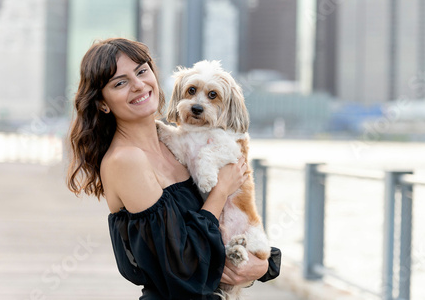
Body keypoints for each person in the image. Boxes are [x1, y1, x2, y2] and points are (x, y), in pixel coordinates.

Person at [67, 37, 281, 299]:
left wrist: (263, 264)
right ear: (102, 102)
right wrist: (221, 190)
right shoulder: (126, 160)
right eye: (120, 82)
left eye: (142, 71)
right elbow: (183, 268)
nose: (138, 85)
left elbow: (227, 225)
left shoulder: (172, 143)